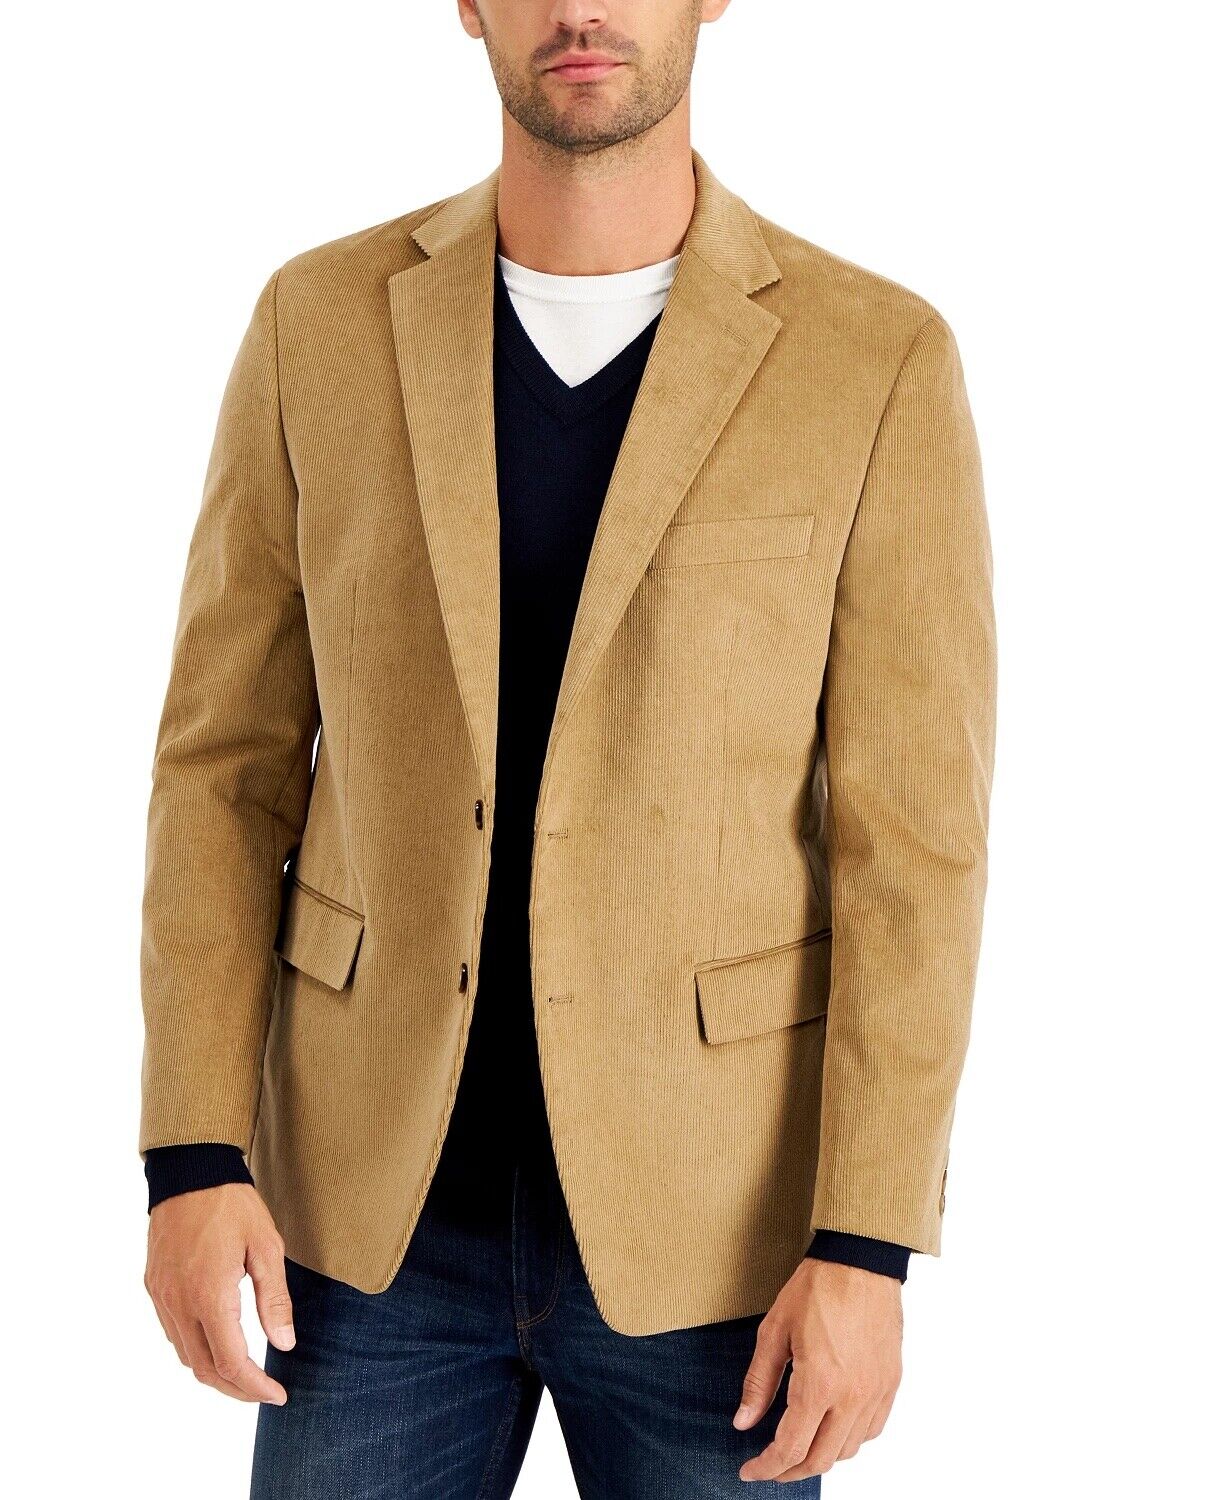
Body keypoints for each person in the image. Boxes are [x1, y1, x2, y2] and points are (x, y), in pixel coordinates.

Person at [138, 2, 996, 1494]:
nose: (581, 8)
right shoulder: (315, 323)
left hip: (719, 1233)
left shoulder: (875, 357)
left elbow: (912, 844)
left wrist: (868, 1243)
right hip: (363, 1225)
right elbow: (225, 770)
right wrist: (192, 1155)